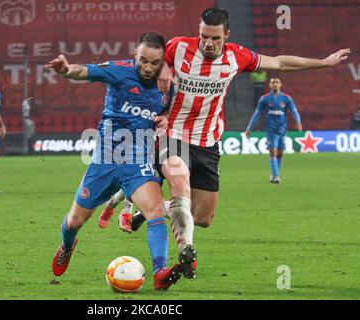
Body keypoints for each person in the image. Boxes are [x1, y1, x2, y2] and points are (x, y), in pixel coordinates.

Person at [100, 7, 351, 278]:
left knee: (204, 217)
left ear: (226, 36)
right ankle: (187, 252)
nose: (207, 43)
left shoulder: (236, 56)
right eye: (203, 36)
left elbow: (278, 62)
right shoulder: (178, 47)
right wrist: (161, 67)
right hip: (173, 134)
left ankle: (147, 211)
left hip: (208, 142)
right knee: (179, 179)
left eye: (214, 38)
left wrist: (323, 62)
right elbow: (144, 61)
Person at [45, 32, 184, 291]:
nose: (148, 67)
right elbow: (82, 71)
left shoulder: (168, 85)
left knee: (154, 211)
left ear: (163, 61)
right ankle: (67, 245)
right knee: (75, 221)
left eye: (155, 63)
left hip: (137, 163)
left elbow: (167, 111)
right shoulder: (118, 70)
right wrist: (65, 70)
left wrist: (165, 118)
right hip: (105, 161)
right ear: (135, 54)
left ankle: (160, 271)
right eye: (143, 60)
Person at [245, 77, 302, 183]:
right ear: (270, 85)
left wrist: (298, 121)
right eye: (273, 82)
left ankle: (274, 174)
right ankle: (276, 176)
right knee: (273, 152)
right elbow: (257, 114)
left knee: (280, 153)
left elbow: (294, 110)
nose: (275, 84)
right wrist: (249, 129)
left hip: (282, 130)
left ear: (280, 84)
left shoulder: (286, 98)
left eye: (277, 82)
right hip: (271, 130)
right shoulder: (265, 99)